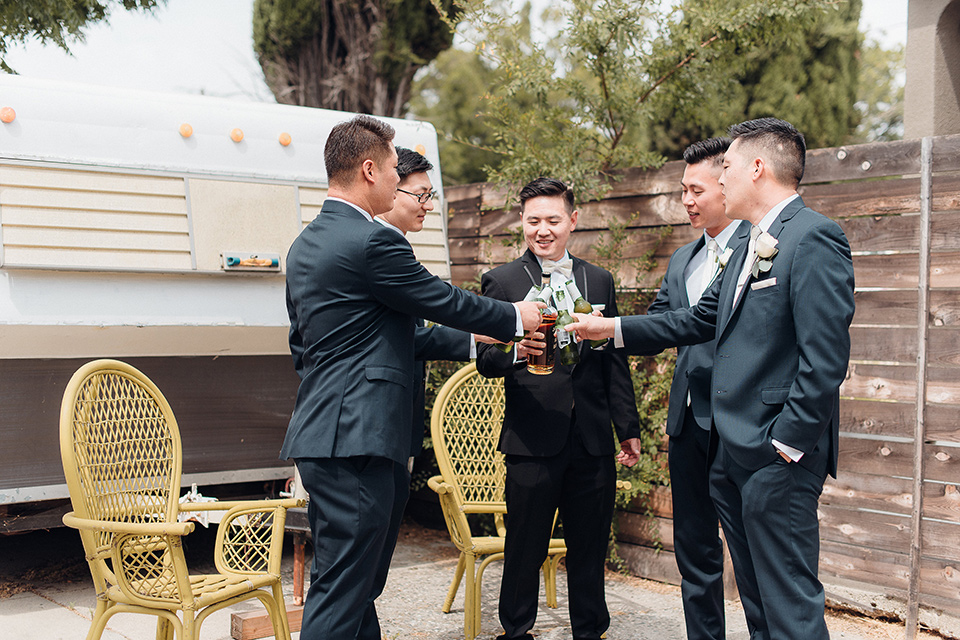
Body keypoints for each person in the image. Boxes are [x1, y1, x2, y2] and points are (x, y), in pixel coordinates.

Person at [565, 118, 855, 640]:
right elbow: (698, 320)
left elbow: (827, 358)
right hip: (730, 450)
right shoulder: (749, 247)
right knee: (758, 597)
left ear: (757, 168)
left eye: (726, 168)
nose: (720, 182)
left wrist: (786, 444)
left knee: (788, 600)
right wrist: (609, 327)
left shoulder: (813, 237)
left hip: (775, 455)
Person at [280, 115, 544, 640]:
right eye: (397, 170)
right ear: (369, 169)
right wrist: (517, 318)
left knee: (353, 583)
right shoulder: (372, 242)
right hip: (359, 438)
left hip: (328, 433)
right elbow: (441, 301)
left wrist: (478, 343)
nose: (400, 181)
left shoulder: (306, 244)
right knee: (343, 590)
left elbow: (313, 347)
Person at [476, 177, 642, 640]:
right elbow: (486, 359)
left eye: (552, 220)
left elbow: (613, 359)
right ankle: (516, 632)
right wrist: (519, 351)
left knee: (590, 550)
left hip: (591, 439)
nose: (542, 230)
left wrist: (626, 426)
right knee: (524, 548)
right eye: (532, 221)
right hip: (532, 438)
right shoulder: (503, 280)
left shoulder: (599, 279)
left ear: (572, 221)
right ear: (522, 225)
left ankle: (591, 631)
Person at [646, 137, 748, 640]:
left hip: (738, 420)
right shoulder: (681, 259)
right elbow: (661, 324)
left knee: (751, 551)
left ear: (726, 185)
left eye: (695, 189)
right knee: (694, 548)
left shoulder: (756, 249)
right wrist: (603, 328)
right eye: (682, 190)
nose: (686, 200)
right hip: (687, 420)